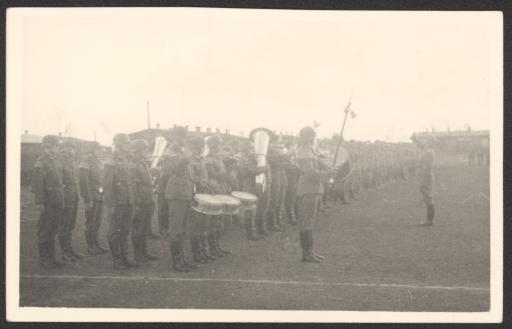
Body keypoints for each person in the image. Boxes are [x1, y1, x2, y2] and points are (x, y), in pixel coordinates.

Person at [296, 127, 332, 263]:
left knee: (309, 221)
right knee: (307, 222)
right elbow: (310, 173)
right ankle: (307, 253)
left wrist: (327, 170)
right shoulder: (305, 152)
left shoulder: (309, 151)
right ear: (307, 137)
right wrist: (326, 174)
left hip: (312, 189)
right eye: (312, 136)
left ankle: (309, 252)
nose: (313, 138)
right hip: (308, 189)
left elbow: (316, 167)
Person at [102, 133, 138, 270]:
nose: (129, 146)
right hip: (117, 202)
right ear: (120, 145)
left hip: (128, 200)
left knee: (125, 230)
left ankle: (125, 257)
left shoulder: (127, 159)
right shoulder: (110, 160)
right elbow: (107, 184)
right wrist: (110, 204)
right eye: (127, 143)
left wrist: (133, 200)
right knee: (115, 231)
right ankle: (117, 260)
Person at [164, 126, 197, 272]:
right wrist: (185, 158)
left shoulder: (183, 152)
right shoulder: (170, 152)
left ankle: (182, 259)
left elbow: (189, 174)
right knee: (176, 229)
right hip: (177, 194)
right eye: (183, 137)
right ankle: (177, 262)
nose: (186, 140)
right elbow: (171, 170)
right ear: (176, 138)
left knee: (182, 229)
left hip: (185, 193)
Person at [31, 135, 65, 268]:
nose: (58, 148)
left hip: (57, 200)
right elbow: (38, 185)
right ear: (48, 147)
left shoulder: (55, 161)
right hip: (48, 202)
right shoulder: (41, 163)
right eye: (56, 146)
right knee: (45, 230)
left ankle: (51, 257)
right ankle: (45, 259)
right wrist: (40, 203)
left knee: (52, 229)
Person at [186, 136, 216, 263]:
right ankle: (197, 254)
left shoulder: (200, 160)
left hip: (204, 194)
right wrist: (204, 183)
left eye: (202, 146)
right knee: (196, 226)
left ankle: (204, 251)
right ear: (194, 148)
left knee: (204, 225)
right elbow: (192, 177)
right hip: (196, 195)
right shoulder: (191, 161)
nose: (202, 149)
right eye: (200, 147)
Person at [130, 139, 159, 263]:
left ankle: (144, 252)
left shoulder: (143, 163)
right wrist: (136, 202)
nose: (146, 152)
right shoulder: (134, 164)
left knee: (145, 226)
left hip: (147, 198)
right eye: (144, 149)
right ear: (138, 150)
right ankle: (138, 254)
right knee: (138, 228)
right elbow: (133, 185)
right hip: (141, 199)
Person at [204, 135, 232, 255]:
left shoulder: (218, 158)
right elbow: (210, 173)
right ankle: (212, 247)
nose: (221, 146)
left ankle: (216, 246)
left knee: (219, 220)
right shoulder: (208, 158)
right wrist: (225, 176)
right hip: (214, 189)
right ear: (213, 146)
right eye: (219, 144)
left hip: (221, 188)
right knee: (213, 220)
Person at [78, 141, 108, 255]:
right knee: (91, 222)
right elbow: (84, 183)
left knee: (97, 222)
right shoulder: (85, 163)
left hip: (99, 196)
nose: (100, 151)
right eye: (97, 149)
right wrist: (88, 199)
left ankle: (96, 244)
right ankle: (90, 246)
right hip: (91, 196)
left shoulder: (97, 162)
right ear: (92, 150)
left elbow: (100, 181)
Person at [58, 139, 85, 263]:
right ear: (64, 148)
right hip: (66, 196)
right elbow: (59, 181)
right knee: (64, 225)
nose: (72, 150)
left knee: (70, 224)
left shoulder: (71, 161)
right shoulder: (60, 161)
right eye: (70, 148)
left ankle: (69, 249)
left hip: (73, 196)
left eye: (73, 148)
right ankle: (65, 252)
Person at [238, 140, 269, 240]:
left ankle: (256, 230)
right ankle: (250, 233)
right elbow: (251, 172)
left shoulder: (250, 159)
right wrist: (264, 168)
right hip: (248, 186)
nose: (252, 151)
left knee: (255, 208)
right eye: (250, 149)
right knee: (249, 210)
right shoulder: (244, 160)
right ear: (245, 150)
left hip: (254, 186)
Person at [415, 136, 436, 226]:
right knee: (427, 196)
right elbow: (422, 147)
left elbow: (426, 165)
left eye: (427, 140)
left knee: (428, 197)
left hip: (427, 175)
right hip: (427, 175)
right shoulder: (428, 150)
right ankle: (429, 219)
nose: (426, 142)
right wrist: (416, 140)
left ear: (430, 142)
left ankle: (429, 220)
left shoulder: (429, 152)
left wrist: (422, 174)